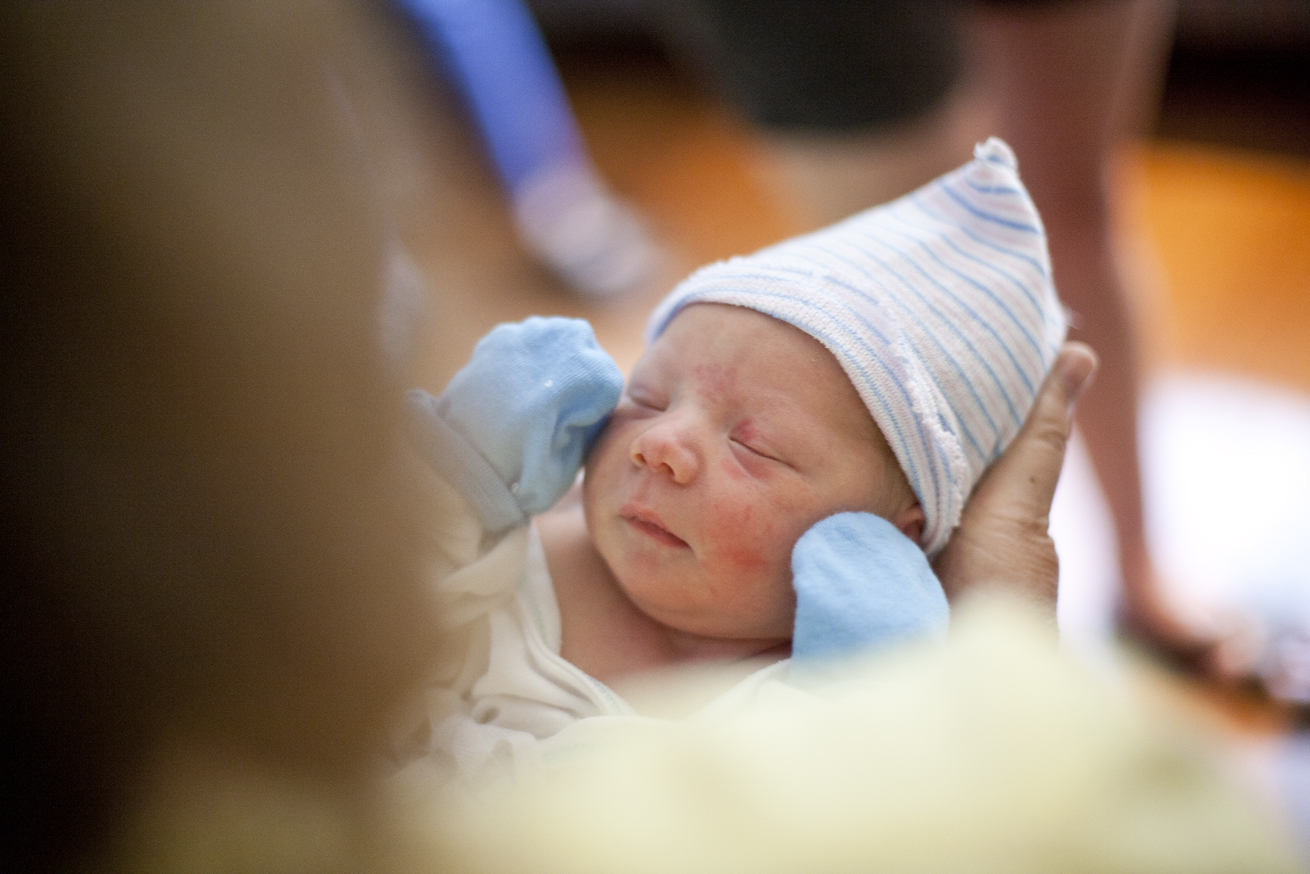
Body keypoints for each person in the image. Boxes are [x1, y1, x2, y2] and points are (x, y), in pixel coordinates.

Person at [402, 137, 1069, 784]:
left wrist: (872, 687)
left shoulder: (799, 712)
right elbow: (362, 611)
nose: (659, 444)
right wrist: (456, 480)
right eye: (647, 397)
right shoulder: (515, 553)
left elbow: (861, 819)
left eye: (754, 446)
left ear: (891, 538)